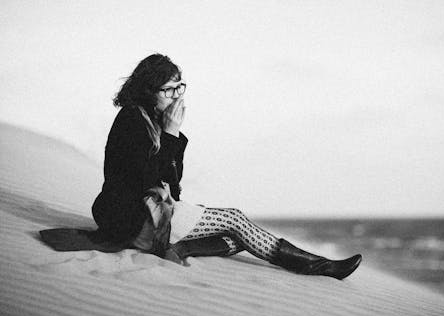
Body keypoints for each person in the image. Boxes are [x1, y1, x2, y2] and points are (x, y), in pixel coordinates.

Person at [91, 53, 362, 280]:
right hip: (128, 217)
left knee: (238, 238)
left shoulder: (157, 122)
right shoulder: (132, 120)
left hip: (150, 211)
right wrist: (170, 135)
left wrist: (173, 135)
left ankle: (184, 247)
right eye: (168, 90)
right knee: (234, 219)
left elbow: (173, 185)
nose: (176, 96)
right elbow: (146, 179)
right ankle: (322, 267)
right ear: (148, 92)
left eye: (179, 87)